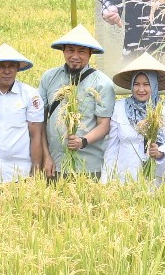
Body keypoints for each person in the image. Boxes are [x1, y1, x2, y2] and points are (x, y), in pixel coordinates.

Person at [39, 25, 117, 178]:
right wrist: (46, 156)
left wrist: (83, 141)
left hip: (88, 166)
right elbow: (39, 119)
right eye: (70, 50)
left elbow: (104, 124)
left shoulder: (101, 83)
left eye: (81, 51)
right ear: (63, 51)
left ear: (90, 53)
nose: (75, 56)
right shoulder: (50, 77)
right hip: (56, 164)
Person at [0, 43, 44, 184]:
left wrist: (35, 172)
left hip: (20, 172)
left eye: (11, 66)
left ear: (17, 68)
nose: (7, 71)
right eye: (2, 66)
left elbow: (36, 135)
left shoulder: (30, 95)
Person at [102, 53, 165, 184]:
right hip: (125, 178)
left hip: (156, 179)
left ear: (154, 86)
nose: (141, 89)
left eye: (146, 84)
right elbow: (112, 147)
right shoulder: (120, 107)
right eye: (136, 84)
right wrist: (105, 180)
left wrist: (159, 152)